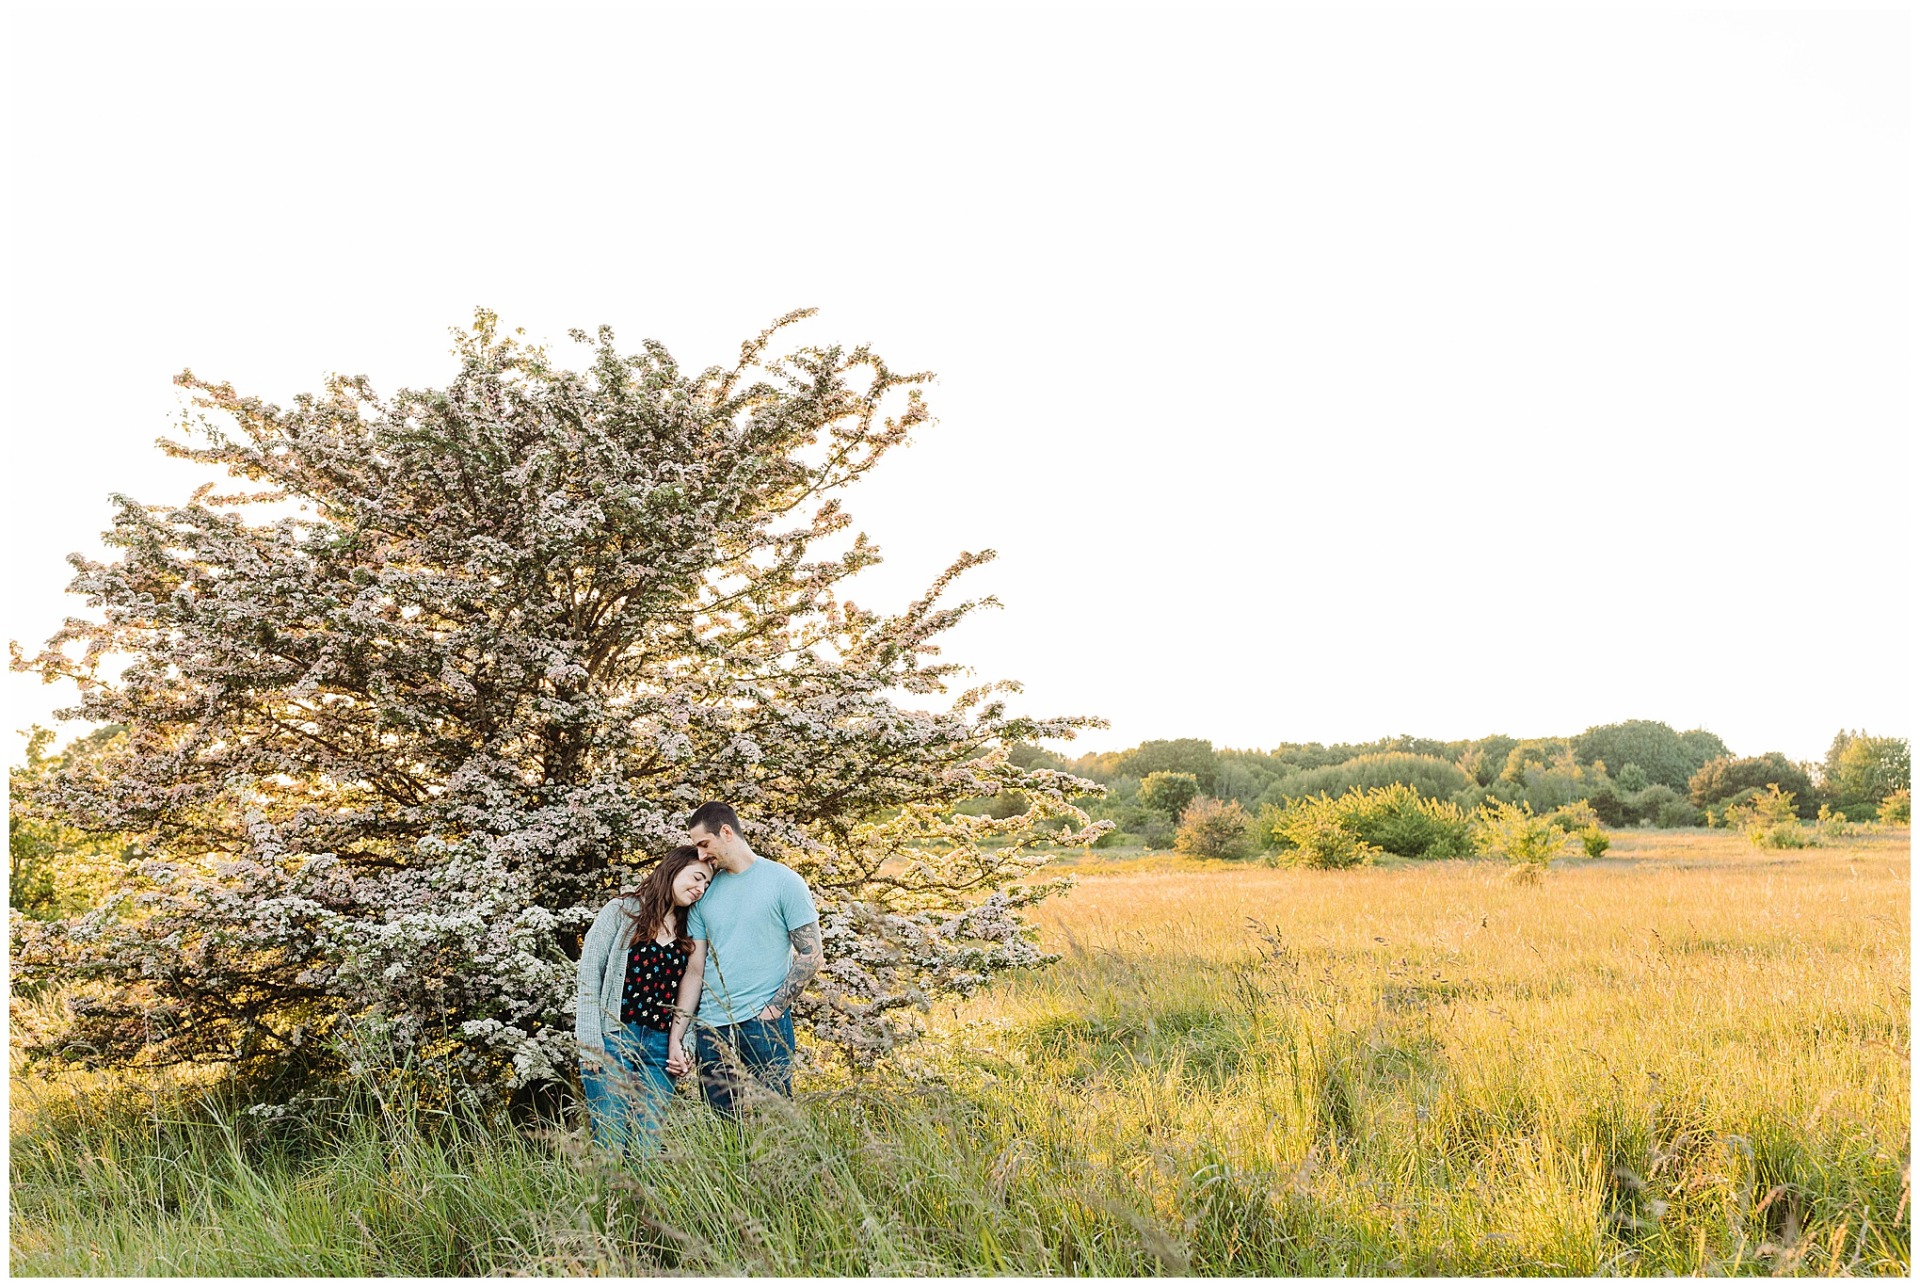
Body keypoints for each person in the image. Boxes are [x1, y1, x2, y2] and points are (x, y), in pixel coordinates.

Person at [684, 801, 824, 1115]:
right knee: (720, 1128)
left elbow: (811, 954)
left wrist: (773, 1010)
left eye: (704, 844)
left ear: (726, 832)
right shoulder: (704, 893)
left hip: (763, 1024)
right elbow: (695, 969)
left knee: (778, 1122)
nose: (702, 855)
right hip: (711, 1028)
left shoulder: (784, 881)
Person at [574, 844, 713, 1155]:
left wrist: (683, 1044)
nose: (700, 888)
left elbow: (691, 989)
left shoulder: (690, 930)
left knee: (645, 1148)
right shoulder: (620, 912)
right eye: (697, 877)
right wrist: (589, 1043)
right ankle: (607, 1205)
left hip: (661, 1049)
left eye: (706, 884)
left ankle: (640, 1206)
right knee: (609, 1143)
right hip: (613, 1040)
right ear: (674, 868)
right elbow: (588, 976)